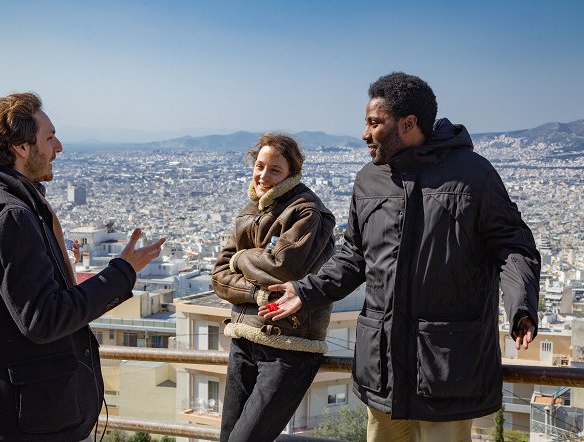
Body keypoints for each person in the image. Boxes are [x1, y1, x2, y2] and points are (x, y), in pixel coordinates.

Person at [261, 72, 541, 442]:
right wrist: (306, 291)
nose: (364, 133)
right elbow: (354, 257)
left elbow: (514, 246)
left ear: (409, 124)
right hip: (384, 374)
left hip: (446, 372)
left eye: (375, 123)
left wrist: (520, 305)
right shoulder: (368, 181)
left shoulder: (473, 177)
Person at [0, 92, 165, 441]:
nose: (59, 147)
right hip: (17, 421)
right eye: (49, 136)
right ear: (21, 147)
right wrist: (122, 273)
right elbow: (43, 319)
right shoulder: (11, 215)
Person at [211, 133, 336, 442]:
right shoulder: (249, 213)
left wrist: (240, 258)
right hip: (244, 339)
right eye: (259, 166)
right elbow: (217, 277)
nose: (263, 176)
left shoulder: (307, 213)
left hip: (289, 346)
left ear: (292, 173)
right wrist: (257, 293)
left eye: (274, 170)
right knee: (228, 437)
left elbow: (283, 267)